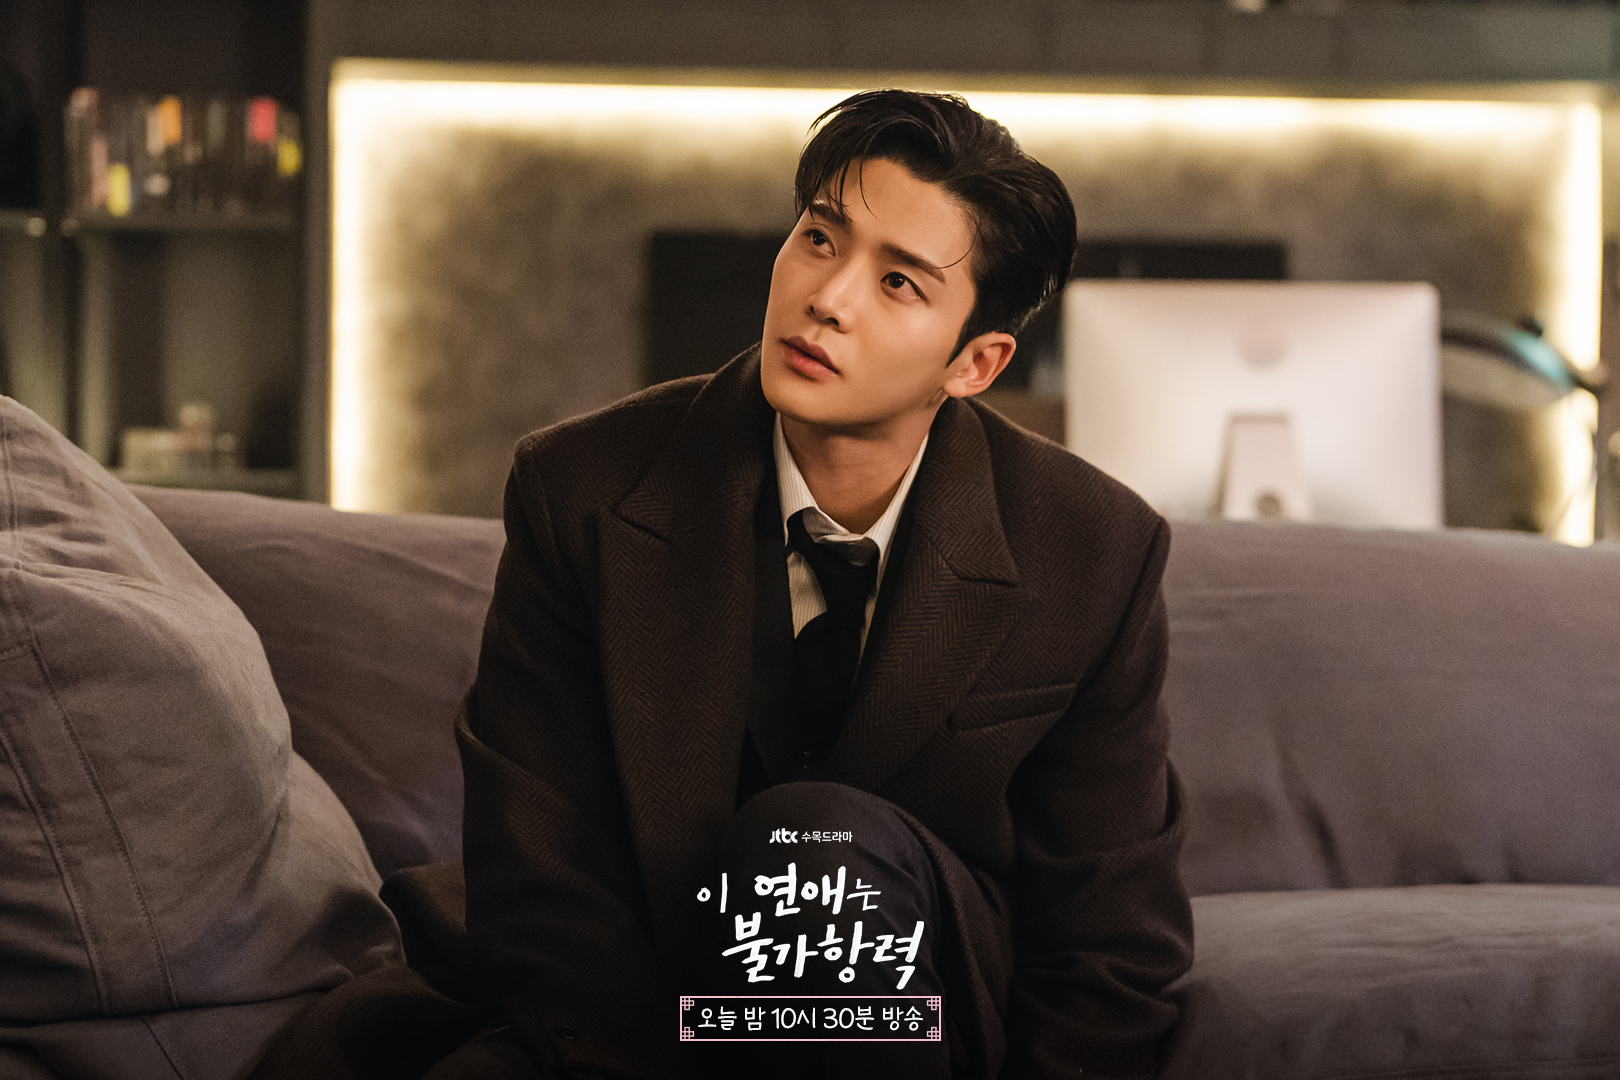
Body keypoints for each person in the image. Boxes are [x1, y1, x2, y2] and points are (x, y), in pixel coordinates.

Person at [452, 89, 1193, 1080]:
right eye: (818, 239)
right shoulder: (580, 488)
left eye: (899, 282)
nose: (828, 298)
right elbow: (540, 865)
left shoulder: (1094, 548)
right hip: (644, 1004)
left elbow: (1110, 935)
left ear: (975, 363)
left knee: (810, 848)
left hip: (928, 1006)